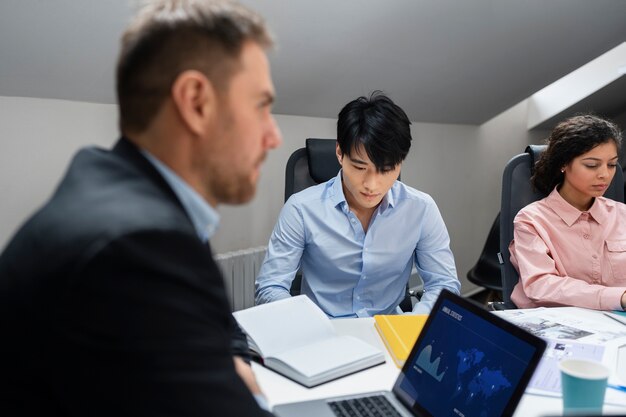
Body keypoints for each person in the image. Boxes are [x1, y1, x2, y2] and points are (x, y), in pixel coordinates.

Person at [0, 1, 282, 416]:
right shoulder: (141, 246)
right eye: (261, 105)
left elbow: (219, 329)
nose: (273, 136)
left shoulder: (122, 191)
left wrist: (227, 363)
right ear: (196, 101)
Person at [255, 92, 460, 317]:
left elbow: (444, 284)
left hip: (388, 332)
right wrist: (308, 325)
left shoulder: (421, 209)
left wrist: (413, 326)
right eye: (360, 168)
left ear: (400, 163)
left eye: (386, 169)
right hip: (323, 332)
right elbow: (270, 287)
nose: (372, 185)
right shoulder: (300, 209)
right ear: (340, 154)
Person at [509, 114, 626, 310]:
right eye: (591, 165)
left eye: (612, 164)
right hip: (558, 327)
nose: (605, 174)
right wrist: (618, 297)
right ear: (563, 163)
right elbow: (540, 286)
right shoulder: (531, 220)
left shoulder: (622, 215)